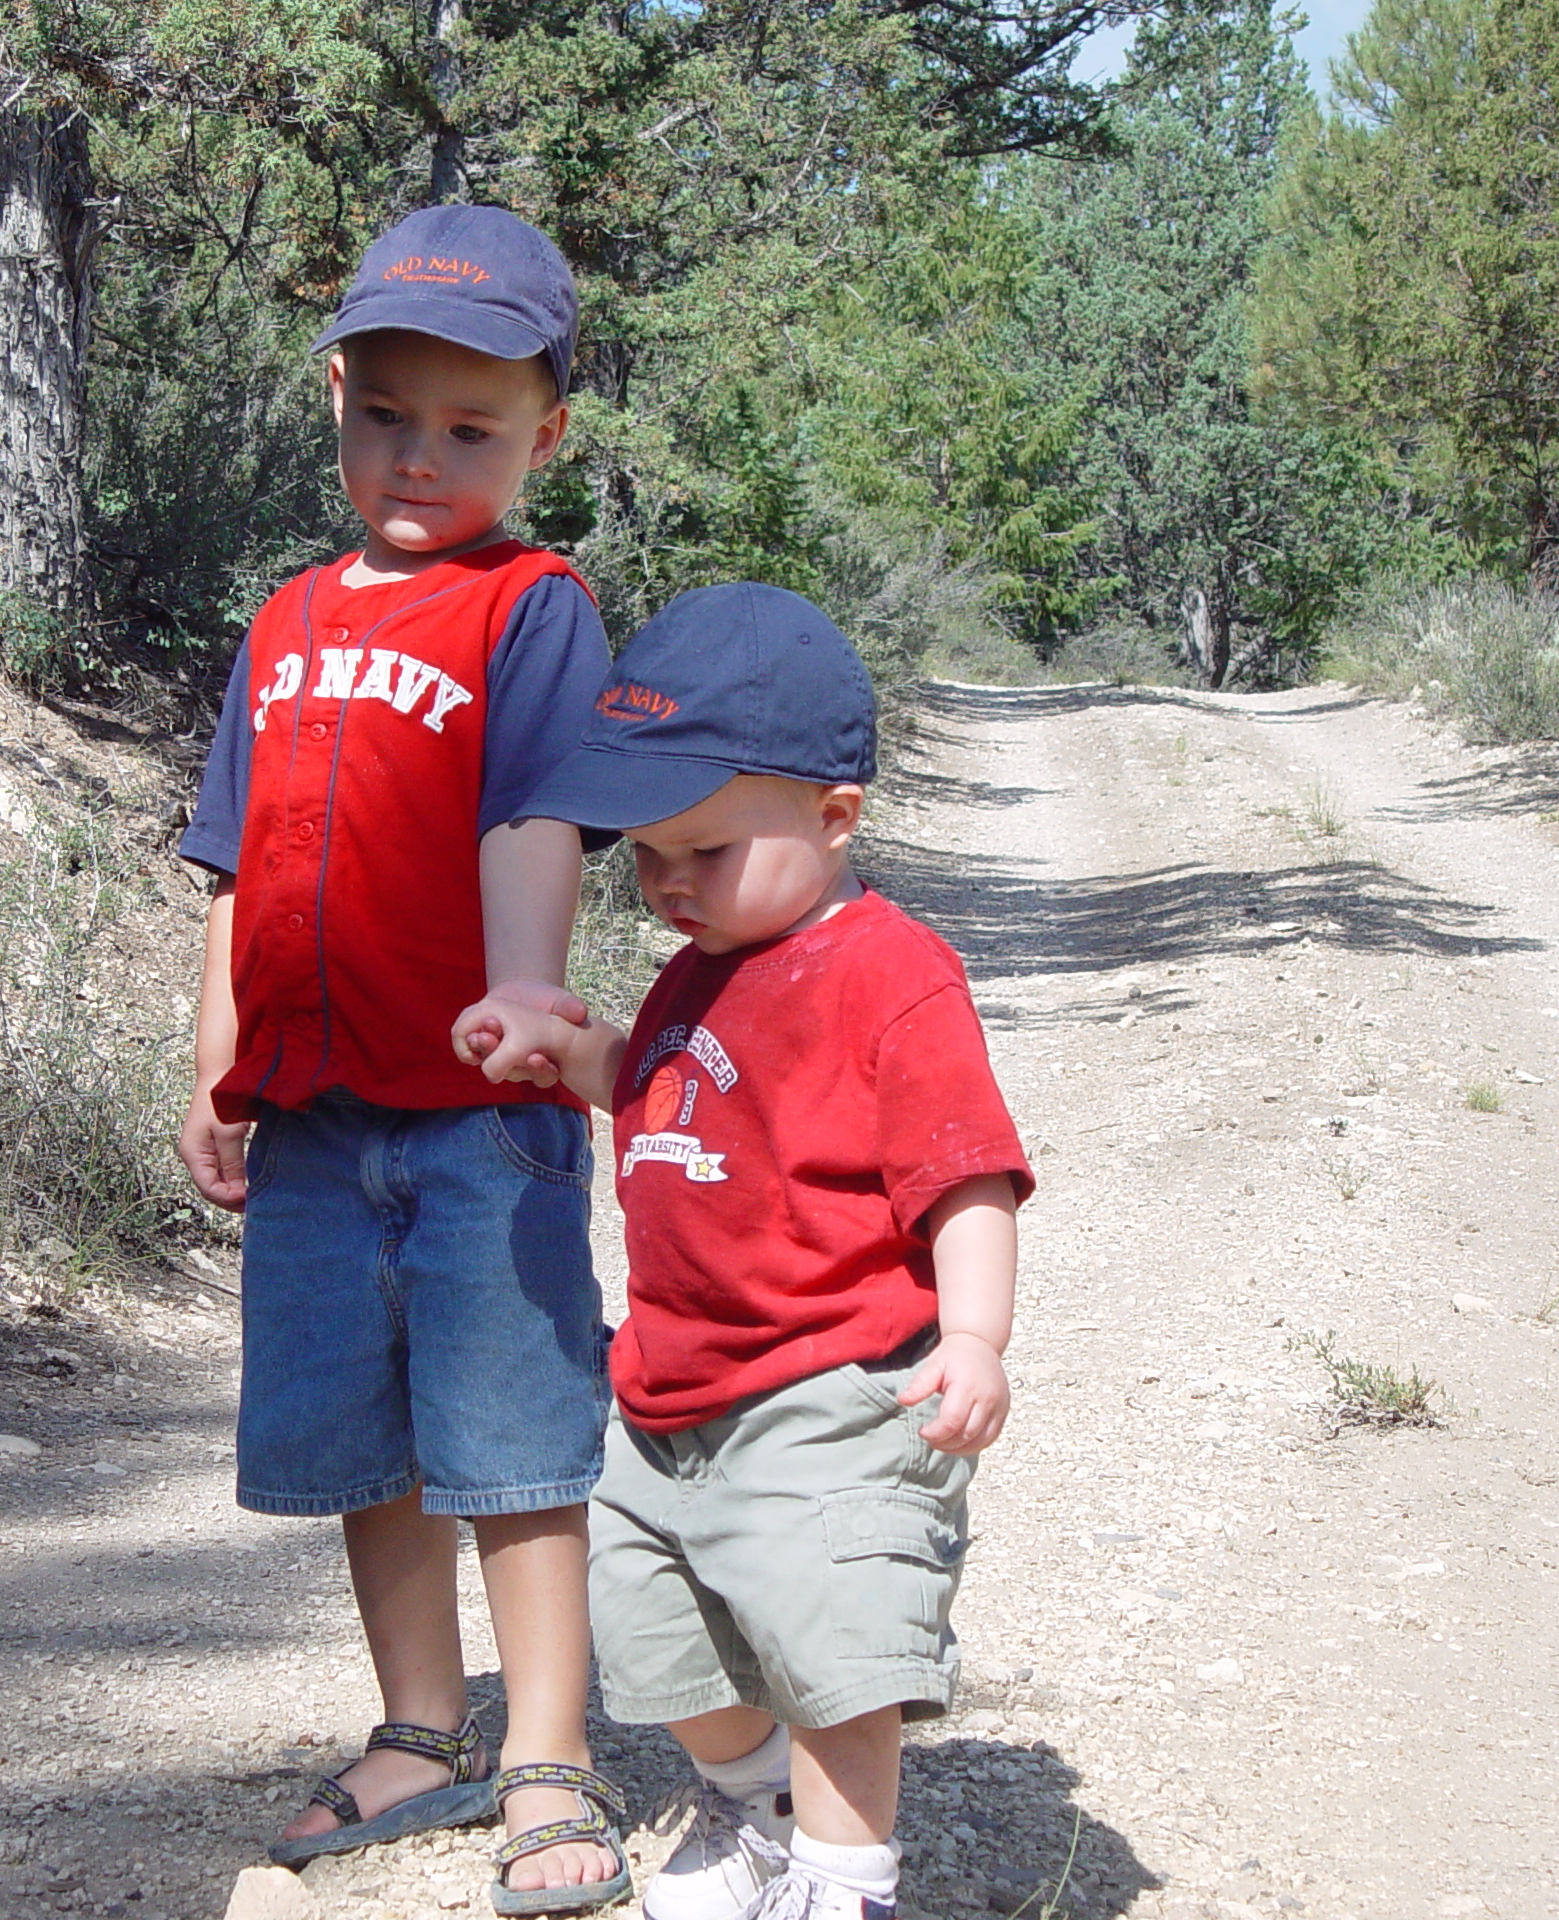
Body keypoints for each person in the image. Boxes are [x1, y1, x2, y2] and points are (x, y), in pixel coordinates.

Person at [175, 203, 630, 1916]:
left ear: (542, 436)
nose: (420, 458)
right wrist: (214, 1071)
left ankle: (550, 1755)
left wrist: (530, 992)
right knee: (373, 1440)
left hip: (473, 1119)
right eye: (387, 415)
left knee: (512, 1439)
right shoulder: (285, 620)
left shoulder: (532, 606)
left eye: (472, 430)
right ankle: (422, 1730)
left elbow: (535, 810)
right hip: (311, 1114)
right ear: (337, 392)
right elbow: (233, 858)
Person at [451, 583, 1035, 1920]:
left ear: (836, 818)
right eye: (645, 856)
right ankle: (756, 1802)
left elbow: (968, 1174)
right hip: (671, 1391)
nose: (666, 886)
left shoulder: (889, 974)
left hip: (833, 1390)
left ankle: (843, 1880)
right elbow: (670, 1093)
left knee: (834, 1646)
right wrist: (572, 1055)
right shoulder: (702, 964)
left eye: (703, 853)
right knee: (658, 1637)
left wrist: (974, 1337)